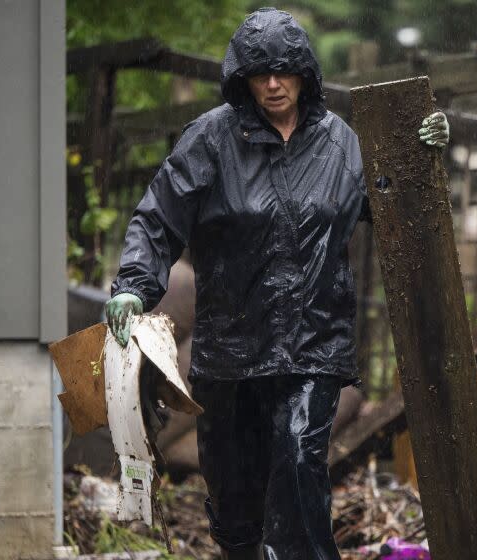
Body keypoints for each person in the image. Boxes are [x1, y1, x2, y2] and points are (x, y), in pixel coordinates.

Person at [105, 8, 449, 560]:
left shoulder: (341, 145)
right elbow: (157, 218)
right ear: (241, 78)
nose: (272, 84)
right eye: (259, 73)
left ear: (305, 74)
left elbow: (391, 200)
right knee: (235, 505)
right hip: (230, 353)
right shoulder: (211, 140)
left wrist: (423, 153)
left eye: (284, 71)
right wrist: (133, 284)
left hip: (312, 346)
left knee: (296, 460)